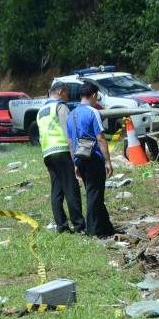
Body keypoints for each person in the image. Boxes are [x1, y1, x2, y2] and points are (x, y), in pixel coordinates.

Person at [65, 82, 118, 238]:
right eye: (97, 97)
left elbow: (70, 143)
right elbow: (101, 139)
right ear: (94, 95)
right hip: (93, 157)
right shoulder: (93, 112)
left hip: (79, 158)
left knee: (94, 193)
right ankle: (92, 230)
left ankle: (107, 228)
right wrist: (108, 161)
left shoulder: (70, 115)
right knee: (94, 195)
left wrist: (75, 163)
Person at [38, 82, 85, 233]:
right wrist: (75, 158)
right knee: (71, 188)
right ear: (59, 91)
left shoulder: (41, 111)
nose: (68, 96)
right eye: (66, 93)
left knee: (57, 190)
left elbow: (41, 136)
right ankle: (78, 225)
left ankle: (61, 226)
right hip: (62, 151)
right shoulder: (60, 107)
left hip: (48, 154)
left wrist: (45, 157)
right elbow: (68, 132)